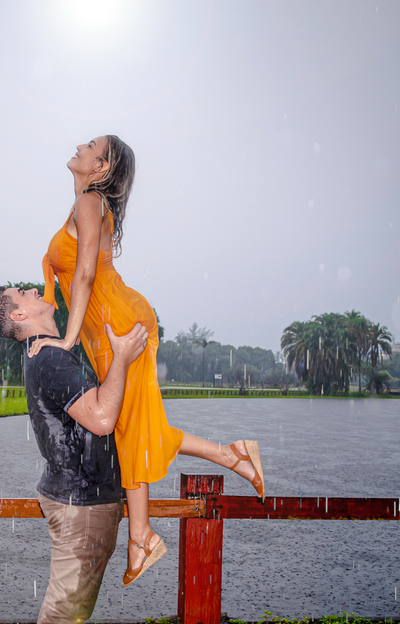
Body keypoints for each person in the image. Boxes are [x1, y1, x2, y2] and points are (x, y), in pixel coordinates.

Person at [26, 135, 265, 587]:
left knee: (131, 427)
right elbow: (81, 275)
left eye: (91, 145)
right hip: (108, 325)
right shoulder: (85, 204)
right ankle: (229, 459)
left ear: (100, 168)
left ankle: (143, 536)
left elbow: (86, 275)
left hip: (117, 323)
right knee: (134, 425)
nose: (80, 144)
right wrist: (72, 336)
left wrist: (67, 340)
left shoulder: (90, 202)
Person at [0, 284, 149, 624]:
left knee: (72, 609)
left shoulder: (49, 352)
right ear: (19, 313)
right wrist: (120, 358)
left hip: (82, 496)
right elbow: (100, 419)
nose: (37, 290)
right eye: (26, 292)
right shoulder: (51, 360)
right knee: (62, 613)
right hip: (80, 502)